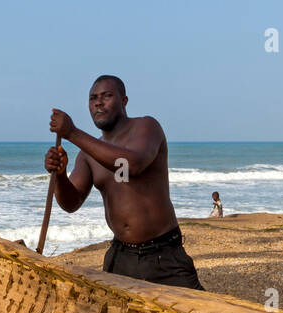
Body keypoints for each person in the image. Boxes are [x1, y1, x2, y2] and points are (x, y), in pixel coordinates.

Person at [44, 75, 204, 290]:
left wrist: (72, 133)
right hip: (120, 257)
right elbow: (71, 203)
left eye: (107, 96)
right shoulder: (88, 155)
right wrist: (61, 175)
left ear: (124, 101)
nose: (98, 102)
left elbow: (132, 165)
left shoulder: (146, 127)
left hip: (163, 255)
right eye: (93, 98)